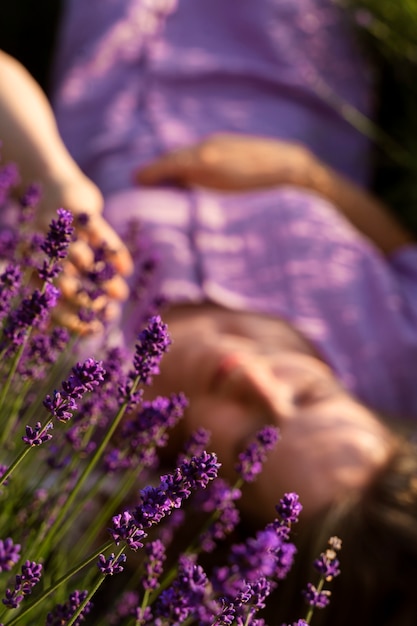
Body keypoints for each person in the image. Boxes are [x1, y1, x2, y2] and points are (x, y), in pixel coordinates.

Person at [1, 1, 417, 624]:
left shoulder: (78, 377)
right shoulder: (395, 360)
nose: (255, 377)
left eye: (252, 438)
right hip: (285, 41)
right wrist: (305, 177)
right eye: (307, 394)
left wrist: (50, 183)